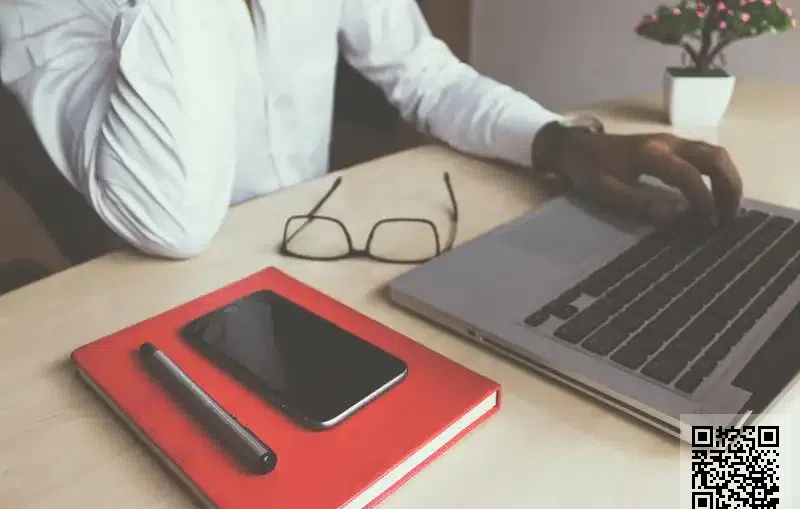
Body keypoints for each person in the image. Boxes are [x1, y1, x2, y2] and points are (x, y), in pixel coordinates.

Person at [0, 0, 743, 261]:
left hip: (314, 256)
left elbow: (424, 73)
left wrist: (559, 143)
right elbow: (172, 221)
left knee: (711, 404)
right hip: (154, 311)